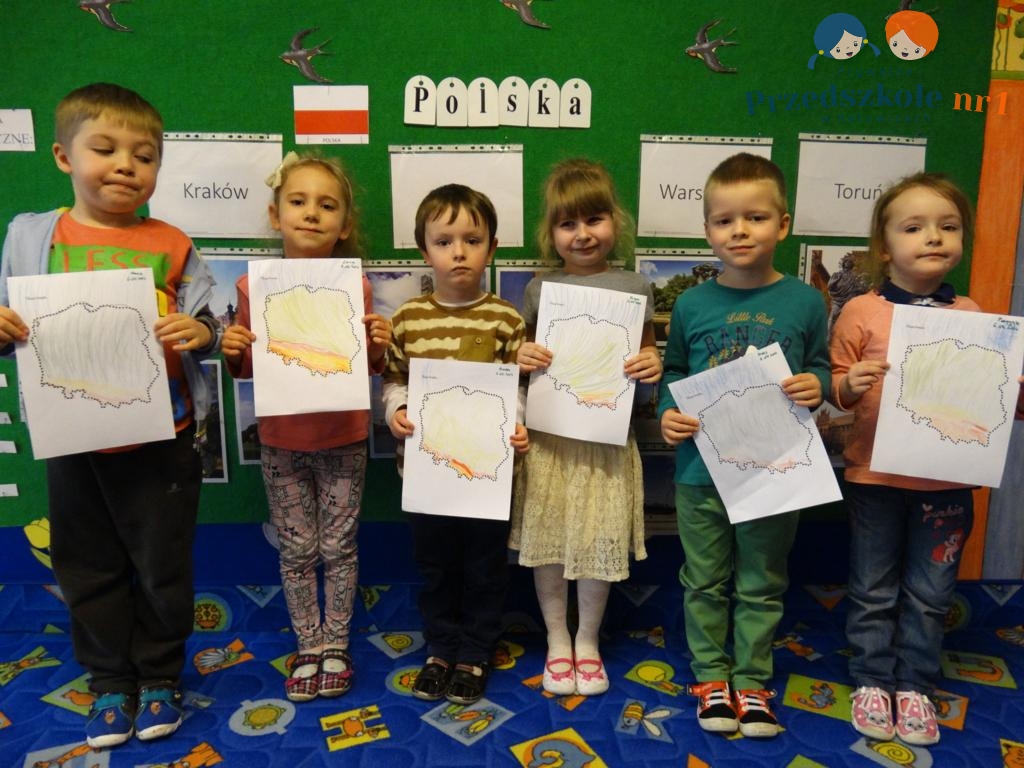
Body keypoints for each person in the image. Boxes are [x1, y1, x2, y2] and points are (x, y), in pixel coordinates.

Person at [0, 83, 221, 748]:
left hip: (162, 438)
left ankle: (159, 676)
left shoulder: (172, 242)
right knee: (86, 563)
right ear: (63, 156)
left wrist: (200, 333)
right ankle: (108, 681)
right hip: (73, 437)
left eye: (144, 155)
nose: (126, 165)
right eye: (105, 149)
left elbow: (208, 321)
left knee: (161, 564)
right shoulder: (30, 237)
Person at [830, 172, 1024, 745]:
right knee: (873, 584)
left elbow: (990, 404)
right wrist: (848, 384)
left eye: (948, 227)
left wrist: (1010, 391)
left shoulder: (974, 314)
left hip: (946, 483)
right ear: (884, 246)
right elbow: (833, 391)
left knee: (932, 590)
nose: (933, 237)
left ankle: (914, 682)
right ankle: (872, 677)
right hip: (875, 478)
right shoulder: (860, 311)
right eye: (914, 228)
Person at [657, 153, 830, 737]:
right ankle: (711, 676)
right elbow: (673, 372)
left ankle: (752, 681)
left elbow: (821, 367)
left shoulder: (805, 302)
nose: (739, 231)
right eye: (724, 220)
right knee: (704, 579)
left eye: (755, 217)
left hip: (774, 470)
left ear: (783, 225)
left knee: (761, 581)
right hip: (699, 472)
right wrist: (666, 413)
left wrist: (818, 386)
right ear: (707, 230)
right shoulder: (691, 304)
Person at [221, 152, 391, 703]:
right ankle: (308, 646)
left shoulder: (356, 287)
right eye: (298, 202)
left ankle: (336, 644)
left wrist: (378, 346)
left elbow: (365, 367)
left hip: (343, 438)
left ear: (344, 226)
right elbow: (251, 367)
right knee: (296, 551)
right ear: (276, 215)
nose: (311, 213)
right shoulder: (252, 288)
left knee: (339, 545)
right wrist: (234, 350)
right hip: (282, 443)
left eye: (327, 205)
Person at [511, 158, 662, 697]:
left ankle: (588, 640)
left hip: (606, 443)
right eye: (567, 224)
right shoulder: (540, 288)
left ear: (615, 221)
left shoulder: (635, 285)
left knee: (600, 539)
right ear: (550, 233)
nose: (582, 234)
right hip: (550, 441)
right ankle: (557, 638)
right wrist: (521, 356)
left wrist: (652, 364)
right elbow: (526, 361)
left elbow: (646, 356)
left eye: (594, 219)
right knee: (550, 542)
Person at [382, 183, 529, 706]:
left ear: (492, 248)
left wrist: (518, 424)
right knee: (436, 568)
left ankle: (476, 651)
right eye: (444, 242)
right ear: (425, 251)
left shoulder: (507, 320)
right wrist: (396, 411)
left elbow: (519, 388)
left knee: (486, 568)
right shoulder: (408, 319)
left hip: (488, 477)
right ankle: (441, 648)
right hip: (426, 477)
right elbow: (393, 380)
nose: (459, 252)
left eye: (473, 240)